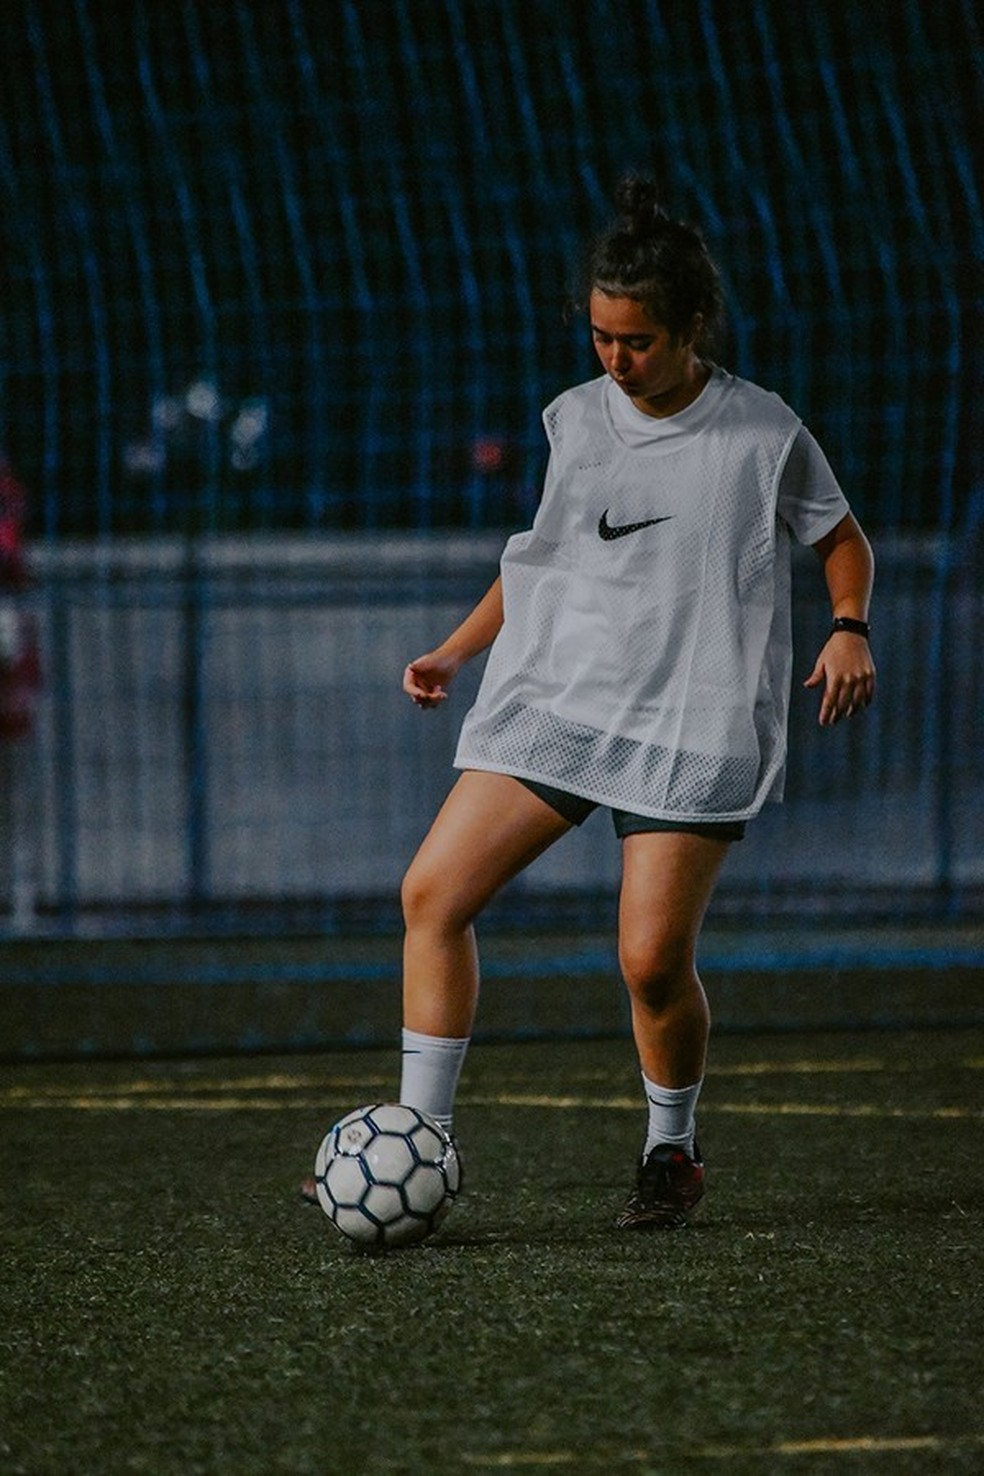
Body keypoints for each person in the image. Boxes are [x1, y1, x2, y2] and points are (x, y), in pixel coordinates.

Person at [305, 176, 876, 1230]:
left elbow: (842, 539)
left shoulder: (761, 433)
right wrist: (454, 650)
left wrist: (850, 626)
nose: (617, 359)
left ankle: (672, 1151)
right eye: (604, 336)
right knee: (431, 895)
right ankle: (421, 1138)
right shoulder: (576, 418)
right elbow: (543, 565)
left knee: (651, 962)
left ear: (692, 326)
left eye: (641, 339)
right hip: (564, 703)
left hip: (692, 721)